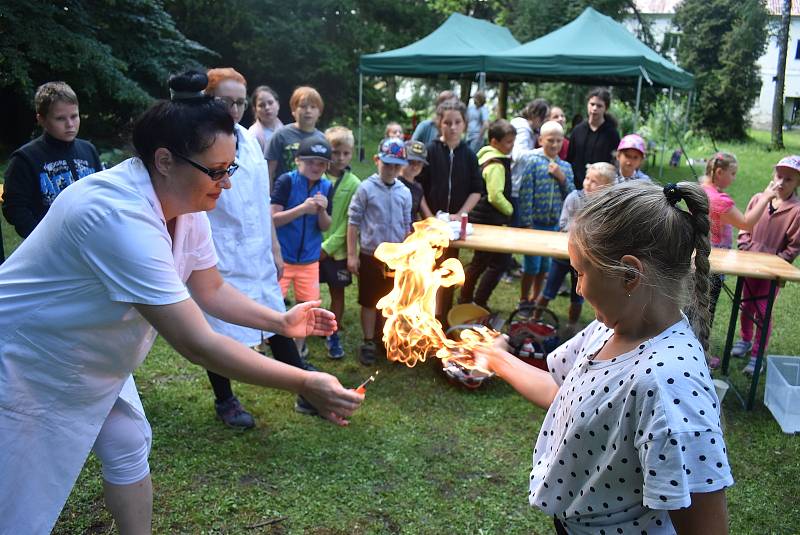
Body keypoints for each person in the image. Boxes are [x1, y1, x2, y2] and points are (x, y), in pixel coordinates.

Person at [0, 70, 363, 535]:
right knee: (17, 497)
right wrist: (306, 381)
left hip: (83, 352)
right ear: (165, 159)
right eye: (215, 171)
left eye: (229, 169)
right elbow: (199, 344)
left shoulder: (185, 205)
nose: (225, 184)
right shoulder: (116, 216)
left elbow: (210, 289)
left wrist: (280, 320)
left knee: (129, 441)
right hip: (26, 357)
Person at [477, 180, 732, 535]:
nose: (578, 288)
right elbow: (562, 393)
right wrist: (495, 358)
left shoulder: (669, 387)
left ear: (629, 275)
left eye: (581, 273)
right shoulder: (611, 326)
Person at [202, 67, 318, 429]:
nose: (234, 109)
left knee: (276, 316)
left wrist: (274, 247)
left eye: (239, 102)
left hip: (256, 248)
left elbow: (260, 197)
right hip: (219, 252)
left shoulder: (249, 141)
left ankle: (306, 388)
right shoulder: (199, 140)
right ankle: (225, 400)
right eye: (226, 101)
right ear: (208, 100)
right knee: (218, 329)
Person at [2, 81, 102, 238]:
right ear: (41, 119)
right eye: (60, 118)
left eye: (74, 116)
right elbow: (14, 207)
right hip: (50, 245)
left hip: (89, 237)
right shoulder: (25, 158)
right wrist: (40, 238)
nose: (70, 124)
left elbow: (100, 193)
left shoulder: (88, 150)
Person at [416, 99, 484, 324]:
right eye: (447, 122)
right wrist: (428, 217)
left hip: (454, 228)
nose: (452, 127)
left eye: (457, 122)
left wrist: (460, 214)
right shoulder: (430, 151)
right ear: (439, 123)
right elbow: (419, 188)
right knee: (425, 270)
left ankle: (441, 317)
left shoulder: (469, 155)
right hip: (429, 224)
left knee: (447, 271)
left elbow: (477, 190)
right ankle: (422, 315)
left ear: (464, 124)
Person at [731, 155, 800, 375]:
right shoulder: (759, 199)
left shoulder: (796, 211)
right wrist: (744, 247)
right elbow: (744, 225)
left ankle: (758, 354)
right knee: (745, 306)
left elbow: (794, 245)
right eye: (779, 176)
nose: (781, 182)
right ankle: (745, 339)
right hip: (749, 265)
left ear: (797, 183)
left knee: (763, 310)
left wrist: (778, 263)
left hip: (771, 271)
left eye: (788, 179)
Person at [347, 138, 412, 365]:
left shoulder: (404, 192)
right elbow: (353, 222)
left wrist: (408, 254)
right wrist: (352, 255)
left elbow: (407, 225)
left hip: (396, 258)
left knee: (392, 300)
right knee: (369, 300)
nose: (392, 170)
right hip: (370, 255)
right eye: (387, 164)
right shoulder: (366, 189)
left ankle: (387, 338)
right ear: (377, 161)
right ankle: (367, 341)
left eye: (396, 166)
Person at [533, 162, 616, 337]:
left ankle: (571, 326)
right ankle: (535, 318)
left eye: (594, 181)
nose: (587, 183)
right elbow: (563, 224)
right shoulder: (574, 197)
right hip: (564, 255)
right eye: (587, 178)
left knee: (579, 294)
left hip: (586, 260)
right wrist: (581, 230)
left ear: (606, 187)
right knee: (549, 289)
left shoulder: (606, 206)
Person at [700, 153, 777, 335]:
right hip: (713, 262)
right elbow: (746, 223)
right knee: (706, 309)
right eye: (733, 173)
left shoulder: (701, 190)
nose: (734, 178)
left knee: (695, 306)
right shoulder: (719, 200)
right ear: (719, 172)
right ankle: (702, 349)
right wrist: (766, 197)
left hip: (698, 255)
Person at [272, 137, 334, 359]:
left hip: (309, 260)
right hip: (283, 258)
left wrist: (321, 211)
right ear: (298, 160)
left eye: (321, 163)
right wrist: (302, 209)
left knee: (306, 306)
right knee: (271, 303)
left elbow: (326, 226)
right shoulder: (286, 181)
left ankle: (298, 350)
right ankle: (262, 343)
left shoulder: (327, 186)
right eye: (311, 162)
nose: (316, 167)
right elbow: (273, 219)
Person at [459, 119, 516, 309]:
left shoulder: (486, 157)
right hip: (489, 220)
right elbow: (495, 196)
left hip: (483, 219)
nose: (512, 145)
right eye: (508, 142)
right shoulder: (496, 165)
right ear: (494, 142)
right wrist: (510, 210)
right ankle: (475, 299)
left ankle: (468, 298)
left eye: (512, 141)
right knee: (497, 262)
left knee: (482, 262)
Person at [516, 120, 574, 304]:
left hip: (554, 225)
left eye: (559, 140)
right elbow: (525, 194)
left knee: (544, 266)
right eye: (550, 140)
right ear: (541, 140)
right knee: (531, 265)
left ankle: (535, 297)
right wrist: (526, 222)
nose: (555, 144)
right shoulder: (532, 162)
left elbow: (572, 195)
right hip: (534, 223)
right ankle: (524, 299)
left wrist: (561, 177)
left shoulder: (565, 167)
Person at [320, 126, 361, 360]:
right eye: (336, 153)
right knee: (312, 291)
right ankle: (313, 325)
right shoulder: (316, 176)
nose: (341, 158)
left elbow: (350, 221)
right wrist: (318, 245)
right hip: (313, 248)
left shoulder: (354, 183)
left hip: (338, 252)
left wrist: (329, 247)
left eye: (346, 153)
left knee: (337, 293)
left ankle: (333, 333)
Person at [266, 86, 325, 181]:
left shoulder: (323, 140)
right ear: (293, 110)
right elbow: (269, 171)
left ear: (319, 112)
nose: (308, 111)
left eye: (313, 107)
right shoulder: (280, 135)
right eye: (303, 106)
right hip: (284, 193)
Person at [566, 87, 621, 190]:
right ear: (587, 104)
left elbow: (615, 163)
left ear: (606, 108)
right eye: (592, 104)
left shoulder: (612, 134)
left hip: (600, 188)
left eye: (599, 106)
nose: (594, 108)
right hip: (576, 186)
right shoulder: (577, 130)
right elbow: (570, 158)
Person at [510, 99, 550, 228]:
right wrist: (542, 151)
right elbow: (518, 155)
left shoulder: (528, 129)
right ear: (537, 115)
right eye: (544, 118)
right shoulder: (523, 128)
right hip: (515, 185)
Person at [248, 85, 283, 157]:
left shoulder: (283, 128)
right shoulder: (252, 134)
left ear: (278, 104)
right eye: (261, 105)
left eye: (270, 103)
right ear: (255, 110)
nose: (267, 108)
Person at [399, 140, 429, 222]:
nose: (415, 166)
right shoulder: (394, 183)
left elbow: (427, 215)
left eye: (419, 162)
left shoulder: (418, 187)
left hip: (413, 232)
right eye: (411, 162)